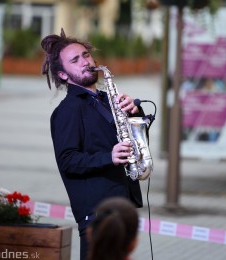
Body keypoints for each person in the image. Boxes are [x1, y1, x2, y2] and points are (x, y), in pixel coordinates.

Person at [41, 28, 144, 260]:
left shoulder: (108, 99)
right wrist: (109, 156)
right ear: (64, 75)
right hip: (96, 212)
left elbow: (133, 137)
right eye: (75, 60)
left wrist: (136, 112)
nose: (85, 62)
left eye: (86, 55)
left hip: (121, 206)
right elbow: (67, 160)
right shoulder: (67, 111)